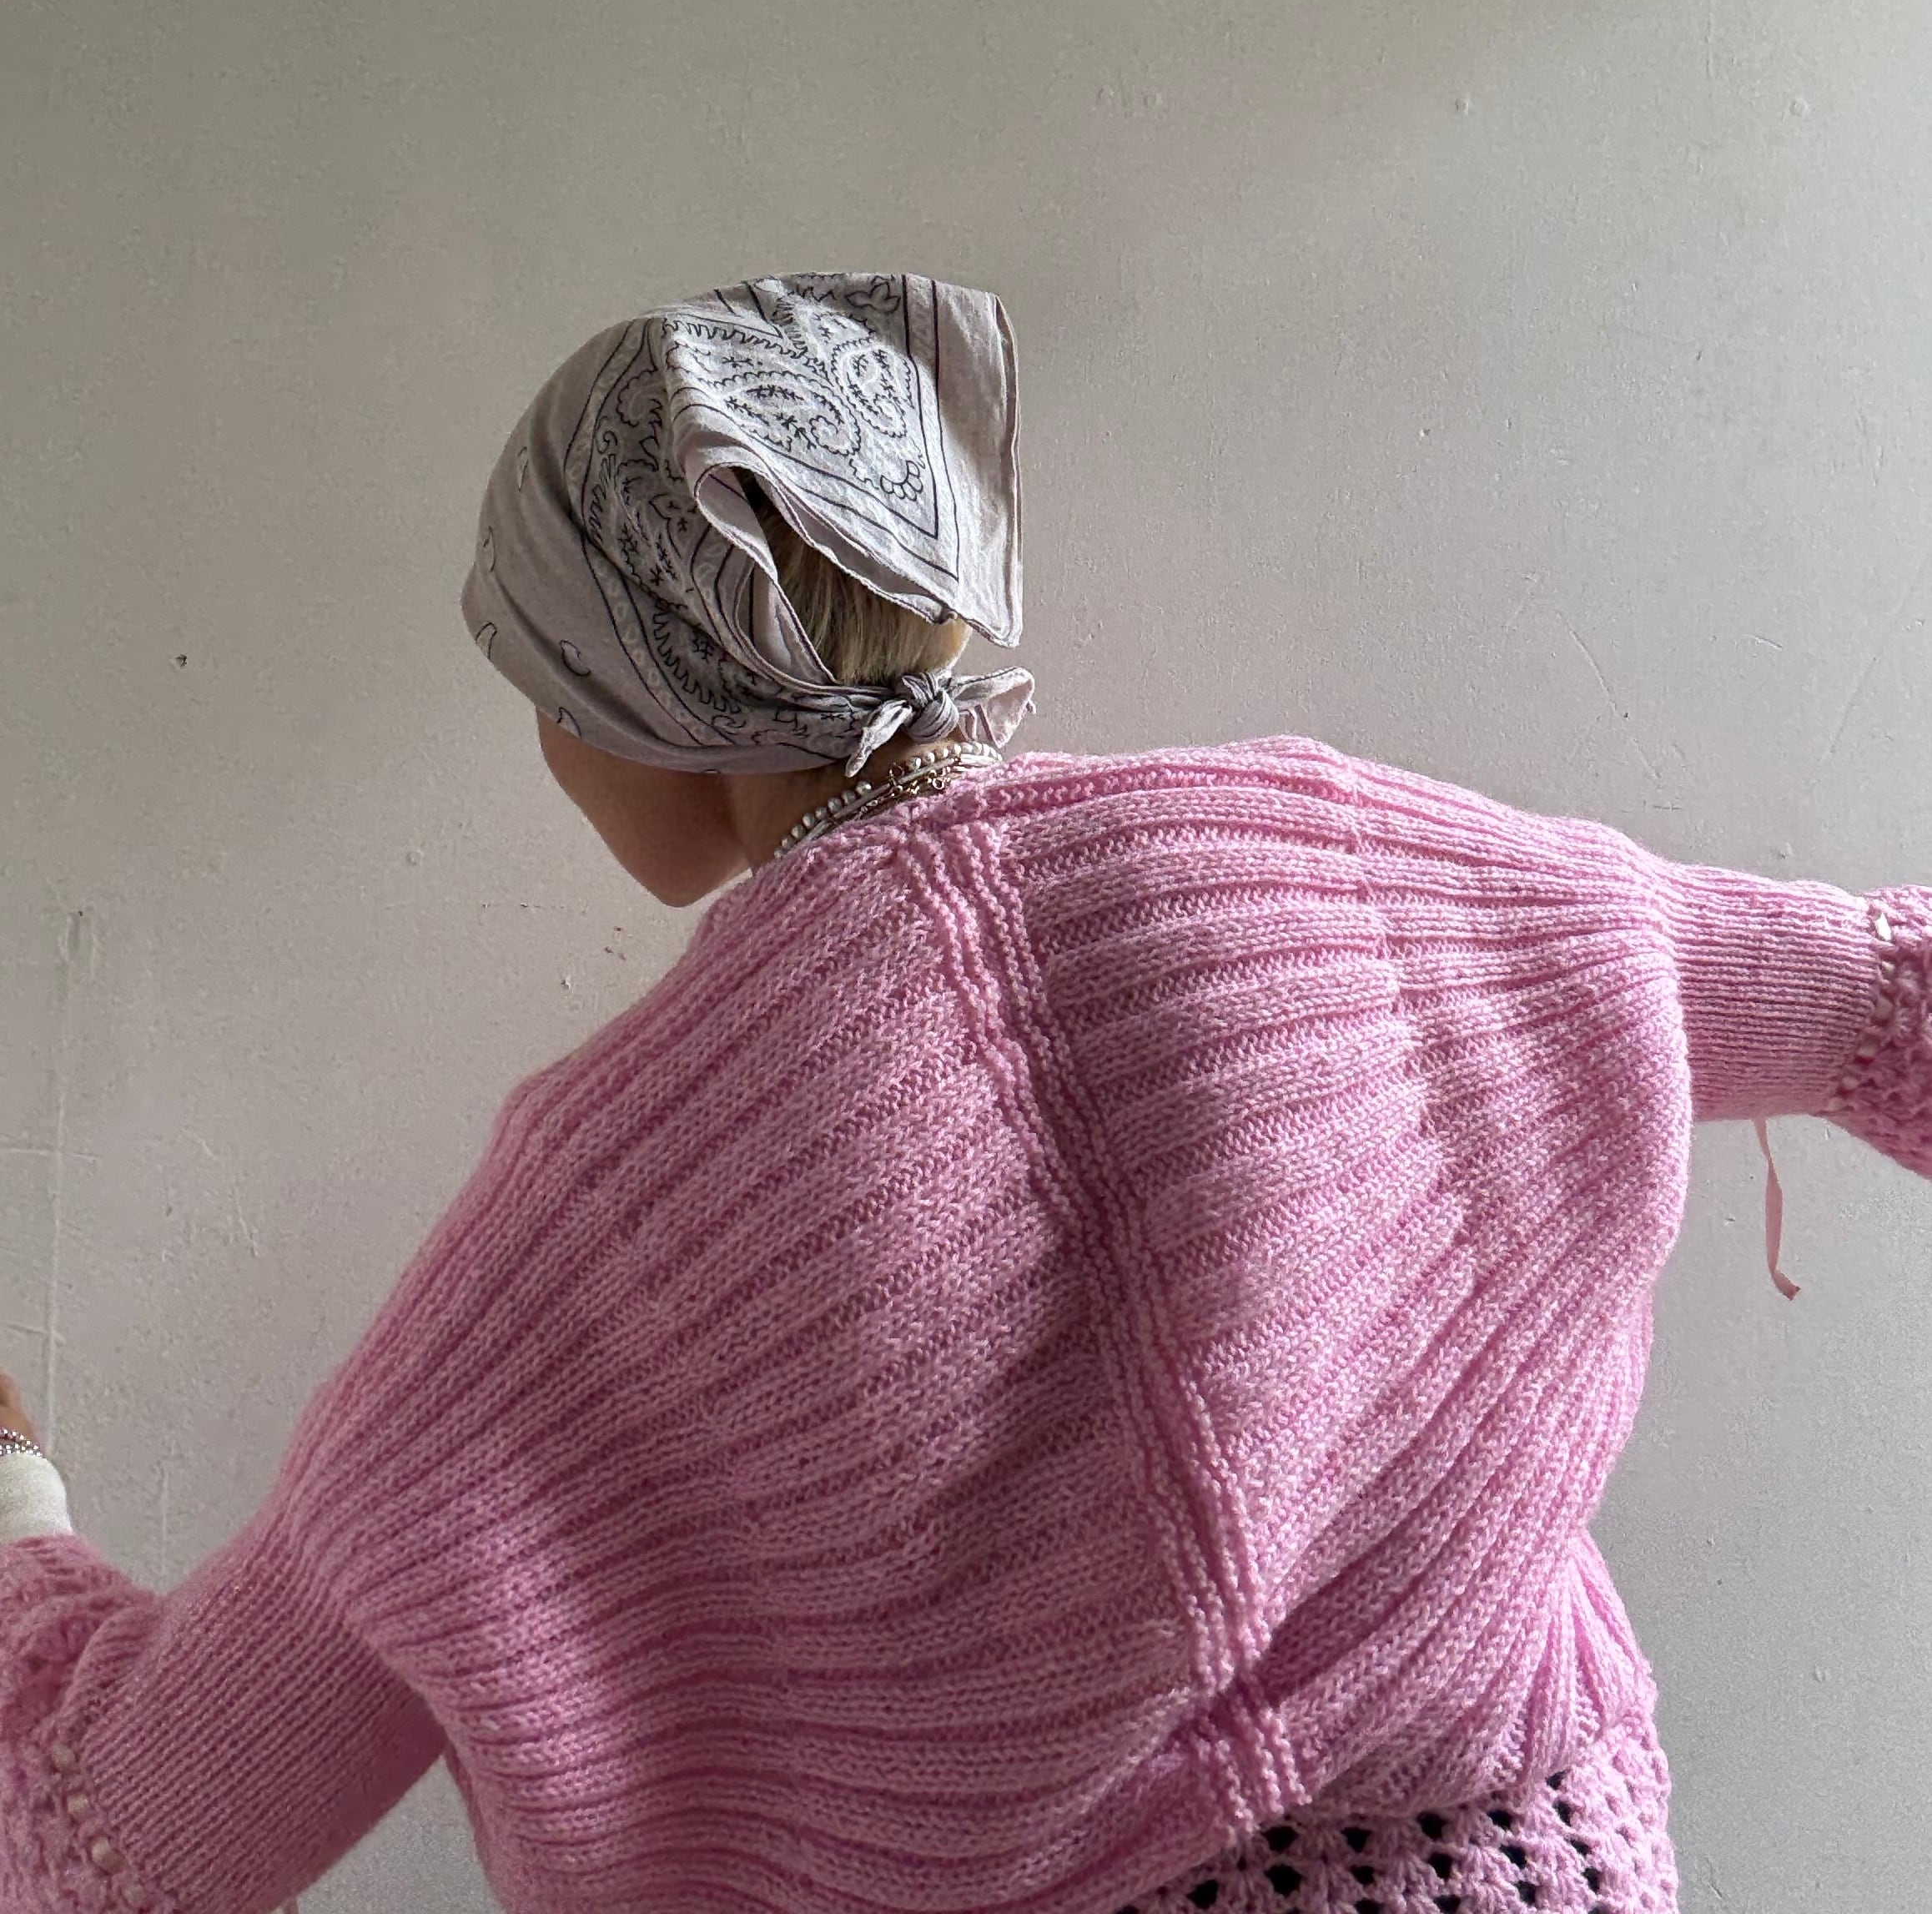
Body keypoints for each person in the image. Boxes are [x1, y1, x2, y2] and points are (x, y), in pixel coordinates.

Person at [0, 269, 1924, 1914]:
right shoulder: (1344, 869)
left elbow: (127, 1833)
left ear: (637, 694)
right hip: (1531, 1864)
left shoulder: (582, 1233)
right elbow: (1879, 990)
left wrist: (15, 1502)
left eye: (544, 680)